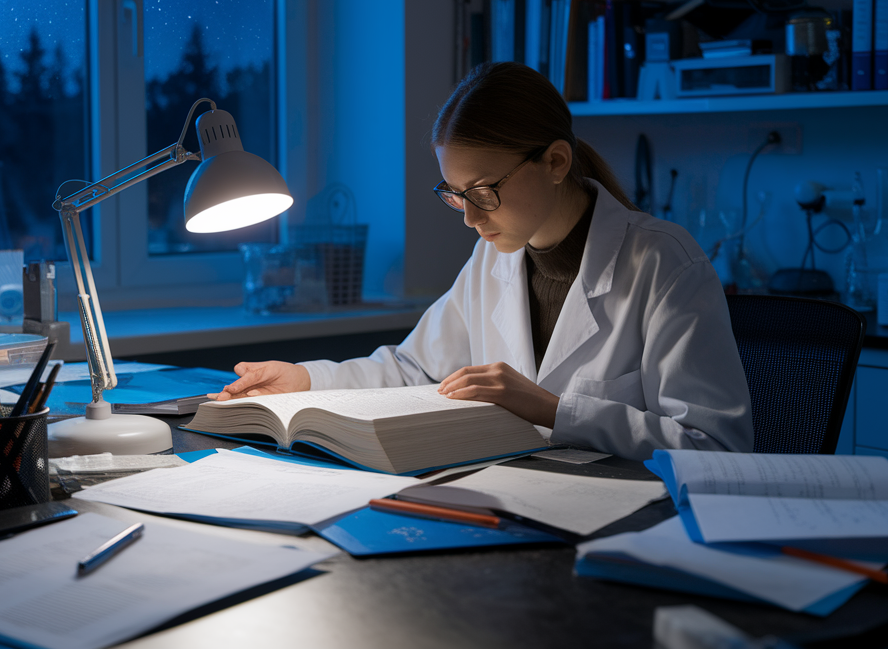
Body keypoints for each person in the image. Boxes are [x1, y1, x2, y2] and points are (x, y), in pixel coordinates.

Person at [211, 62, 753, 460]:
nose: (469, 217)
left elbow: (716, 446)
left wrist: (553, 410)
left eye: (484, 190)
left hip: (632, 527)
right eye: (453, 193)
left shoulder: (662, 262)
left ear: (556, 162)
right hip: (517, 501)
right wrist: (304, 378)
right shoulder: (492, 259)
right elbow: (416, 370)